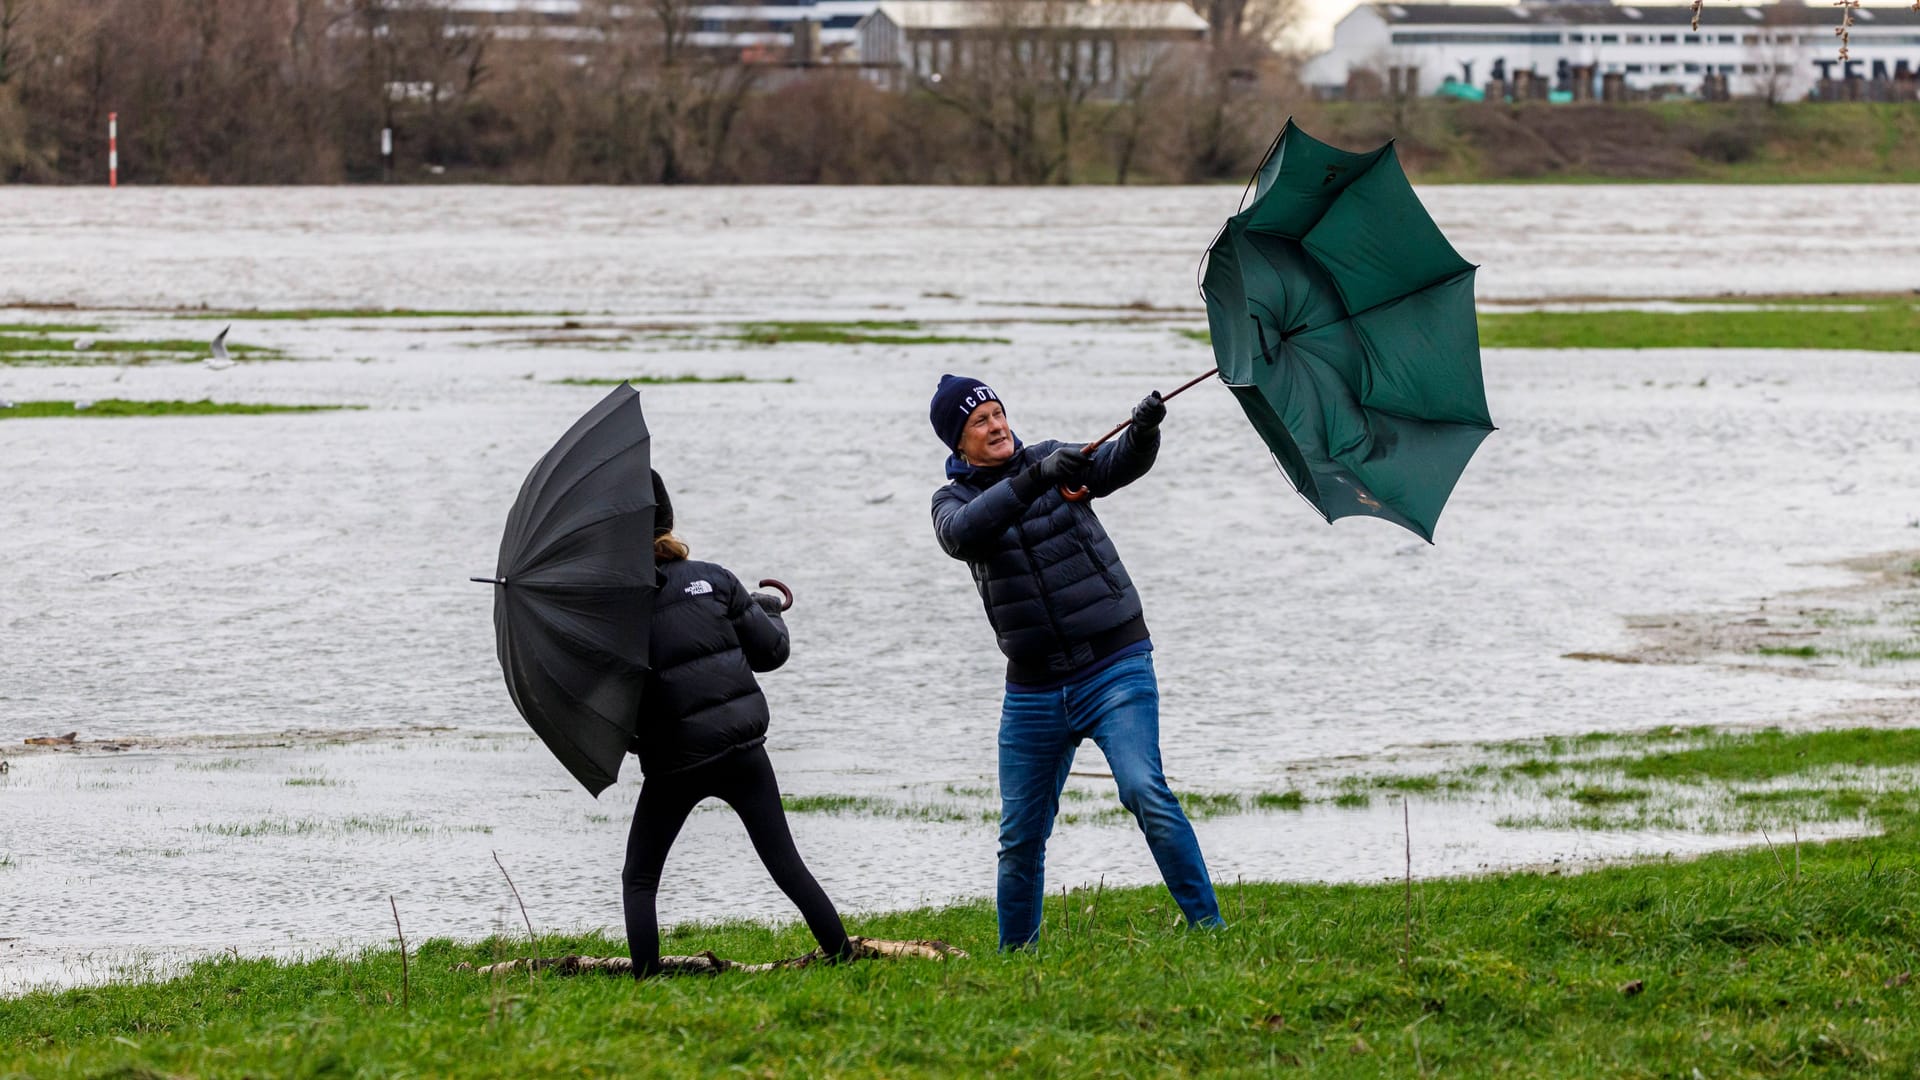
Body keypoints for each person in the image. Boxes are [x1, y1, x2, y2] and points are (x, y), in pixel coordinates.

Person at [927, 375, 1223, 950]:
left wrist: (1143, 431)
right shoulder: (954, 502)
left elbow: (1115, 466)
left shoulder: (1050, 459)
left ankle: (1210, 930)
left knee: (1144, 789)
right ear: (957, 444)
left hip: (1116, 664)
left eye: (998, 413)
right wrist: (1035, 479)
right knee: (1019, 837)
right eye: (980, 422)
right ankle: (1016, 957)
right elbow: (963, 536)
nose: (997, 426)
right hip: (1034, 691)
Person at [622, 470, 852, 977]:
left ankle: (645, 980)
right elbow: (771, 652)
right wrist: (770, 611)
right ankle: (843, 957)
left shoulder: (613, 610)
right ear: (668, 519)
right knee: (787, 865)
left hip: (673, 763)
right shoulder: (716, 579)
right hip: (742, 754)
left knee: (640, 879)